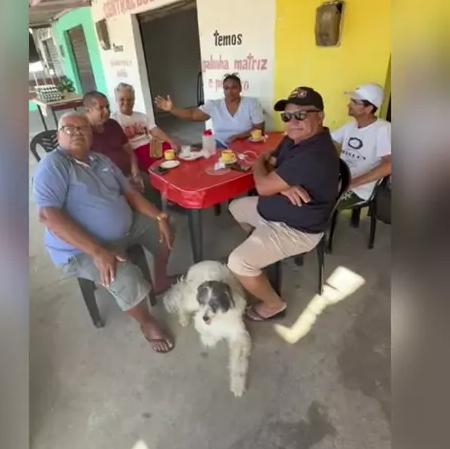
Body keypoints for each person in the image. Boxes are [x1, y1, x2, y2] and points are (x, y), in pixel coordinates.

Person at [32, 113, 175, 353]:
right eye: (69, 128)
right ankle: (146, 322)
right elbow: (48, 216)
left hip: (126, 228)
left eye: (83, 128)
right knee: (125, 277)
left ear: (91, 134)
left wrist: (159, 216)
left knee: (165, 233)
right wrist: (97, 251)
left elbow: (130, 194)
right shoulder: (54, 165)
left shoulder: (101, 159)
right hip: (80, 248)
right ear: (58, 135)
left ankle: (160, 279)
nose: (77, 132)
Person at [227, 87, 339, 321]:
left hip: (297, 229)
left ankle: (273, 305)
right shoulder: (294, 139)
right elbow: (272, 164)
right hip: (277, 209)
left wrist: (258, 163)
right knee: (235, 207)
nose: (292, 122)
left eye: (301, 115)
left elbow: (262, 183)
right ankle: (261, 253)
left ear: (320, 116)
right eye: (287, 116)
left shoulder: (315, 154)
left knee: (238, 263)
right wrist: (283, 186)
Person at [154, 73, 264, 147]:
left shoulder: (251, 103)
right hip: (220, 145)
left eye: (234, 87)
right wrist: (172, 109)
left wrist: (239, 137)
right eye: (226, 88)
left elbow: (259, 129)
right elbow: (192, 114)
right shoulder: (214, 105)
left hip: (246, 145)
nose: (230, 91)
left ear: (240, 88)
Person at [331, 83, 391, 209]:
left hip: (360, 189)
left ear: (368, 108)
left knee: (322, 205)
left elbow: (389, 165)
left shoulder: (383, 130)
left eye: (354, 102)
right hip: (340, 179)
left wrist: (351, 184)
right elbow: (329, 140)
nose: (349, 105)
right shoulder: (350, 126)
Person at [111, 83, 180, 171]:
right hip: (134, 150)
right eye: (122, 99)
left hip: (150, 146)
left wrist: (171, 141)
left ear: (134, 100)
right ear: (116, 100)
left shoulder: (141, 116)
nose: (126, 102)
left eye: (129, 99)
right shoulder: (114, 119)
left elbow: (154, 130)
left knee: (174, 149)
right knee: (158, 165)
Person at [83, 90, 144, 191]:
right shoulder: (83, 133)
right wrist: (122, 183)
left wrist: (135, 169)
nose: (107, 111)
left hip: (128, 173)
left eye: (107, 107)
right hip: (107, 182)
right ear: (88, 110)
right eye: (101, 108)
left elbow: (128, 149)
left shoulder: (113, 124)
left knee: (154, 185)